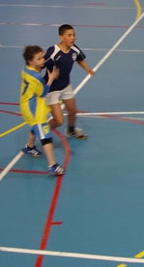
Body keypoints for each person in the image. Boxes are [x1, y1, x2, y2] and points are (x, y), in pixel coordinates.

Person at [20, 45, 65, 176]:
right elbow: (43, 92)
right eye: (39, 59)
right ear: (30, 61)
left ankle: (29, 147)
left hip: (26, 105)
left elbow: (38, 65)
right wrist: (51, 78)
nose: (42, 61)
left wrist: (41, 56)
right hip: (34, 110)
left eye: (43, 57)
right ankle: (53, 165)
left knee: (36, 128)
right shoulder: (36, 78)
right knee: (46, 136)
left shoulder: (26, 69)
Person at [44, 24, 95, 140]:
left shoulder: (74, 49)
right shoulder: (53, 51)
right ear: (61, 37)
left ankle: (71, 131)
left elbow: (79, 58)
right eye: (69, 35)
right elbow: (41, 65)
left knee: (72, 111)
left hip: (66, 86)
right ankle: (41, 130)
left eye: (74, 35)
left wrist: (87, 68)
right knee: (58, 121)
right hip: (52, 90)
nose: (73, 38)